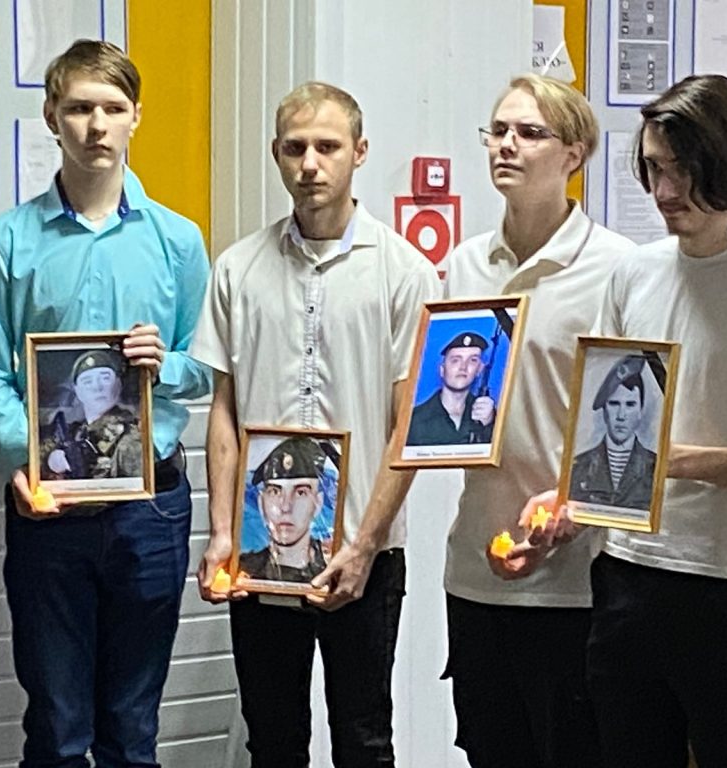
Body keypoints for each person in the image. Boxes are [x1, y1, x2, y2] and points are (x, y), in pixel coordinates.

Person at [190, 81, 440, 768]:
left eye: (327, 147)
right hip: (260, 556)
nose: (310, 164)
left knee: (364, 741)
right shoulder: (238, 269)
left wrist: (364, 546)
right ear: (275, 153)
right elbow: (224, 413)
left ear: (359, 152)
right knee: (273, 743)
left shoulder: (405, 273)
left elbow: (409, 426)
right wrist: (220, 533)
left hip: (365, 554)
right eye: (295, 148)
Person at [563, 74, 727, 768]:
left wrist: (673, 460)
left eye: (681, 171)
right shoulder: (633, 275)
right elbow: (596, 422)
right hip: (624, 570)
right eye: (653, 170)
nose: (664, 191)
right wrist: (569, 506)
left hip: (723, 583)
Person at [0, 39, 210, 767]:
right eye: (80, 107)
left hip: (152, 506)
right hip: (48, 510)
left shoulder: (179, 241)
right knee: (56, 729)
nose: (97, 125)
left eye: (113, 108)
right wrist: (25, 458)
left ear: (136, 116)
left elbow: (208, 370)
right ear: (52, 115)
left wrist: (166, 364)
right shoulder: (5, 242)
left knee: (131, 729)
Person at [441, 73, 634, 768]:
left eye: (529, 133)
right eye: (498, 131)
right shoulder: (464, 265)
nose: (507, 145)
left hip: (576, 578)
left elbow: (636, 427)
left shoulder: (619, 269)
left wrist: (574, 513)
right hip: (475, 568)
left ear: (574, 154)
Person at [239, 436, 335, 584]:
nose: (285, 507)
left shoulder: (333, 567)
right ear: (260, 503)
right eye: (275, 491)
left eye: (300, 492)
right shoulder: (244, 571)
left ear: (318, 503)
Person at [570, 354, 657, 510]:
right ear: (604, 410)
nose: (621, 415)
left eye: (630, 405)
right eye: (614, 404)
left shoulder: (655, 467)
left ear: (640, 411)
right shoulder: (579, 467)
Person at [40, 349, 142, 480]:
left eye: (105, 378)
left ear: (118, 384)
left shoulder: (130, 436)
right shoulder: (75, 432)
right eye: (87, 381)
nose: (97, 387)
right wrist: (51, 460)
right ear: (78, 391)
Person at [406, 331, 495, 445]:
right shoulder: (414, 420)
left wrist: (489, 425)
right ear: (442, 370)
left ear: (479, 370)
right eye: (455, 360)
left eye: (472, 360)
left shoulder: (490, 417)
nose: (463, 367)